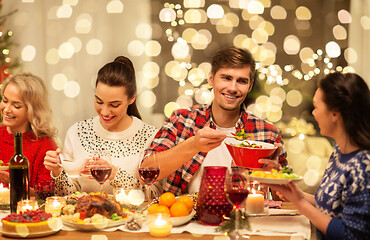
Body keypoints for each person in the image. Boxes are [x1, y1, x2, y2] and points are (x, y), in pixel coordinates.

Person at [144, 46, 287, 195]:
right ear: (211, 78)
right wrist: (193, 145)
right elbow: (146, 172)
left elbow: (288, 199)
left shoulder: (268, 134)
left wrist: (276, 177)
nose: (233, 88)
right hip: (187, 216)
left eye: (242, 81)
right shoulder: (182, 120)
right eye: (226, 78)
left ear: (250, 86)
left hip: (242, 216)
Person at [268, 72, 370, 239]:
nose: (313, 114)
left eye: (316, 107)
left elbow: (351, 234)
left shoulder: (364, 166)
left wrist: (300, 203)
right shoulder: (339, 152)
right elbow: (332, 207)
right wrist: (297, 195)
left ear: (335, 114)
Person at [44, 56, 159, 196]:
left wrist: (116, 174)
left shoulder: (151, 136)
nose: (104, 112)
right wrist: (57, 171)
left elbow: (154, 196)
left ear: (132, 98)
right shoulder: (77, 132)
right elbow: (67, 196)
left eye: (114, 105)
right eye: (99, 101)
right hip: (87, 217)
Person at [0, 73, 58, 191]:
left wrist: (15, 183)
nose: (6, 109)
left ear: (32, 110)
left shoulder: (45, 146)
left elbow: (47, 194)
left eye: (16, 106)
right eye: (5, 100)